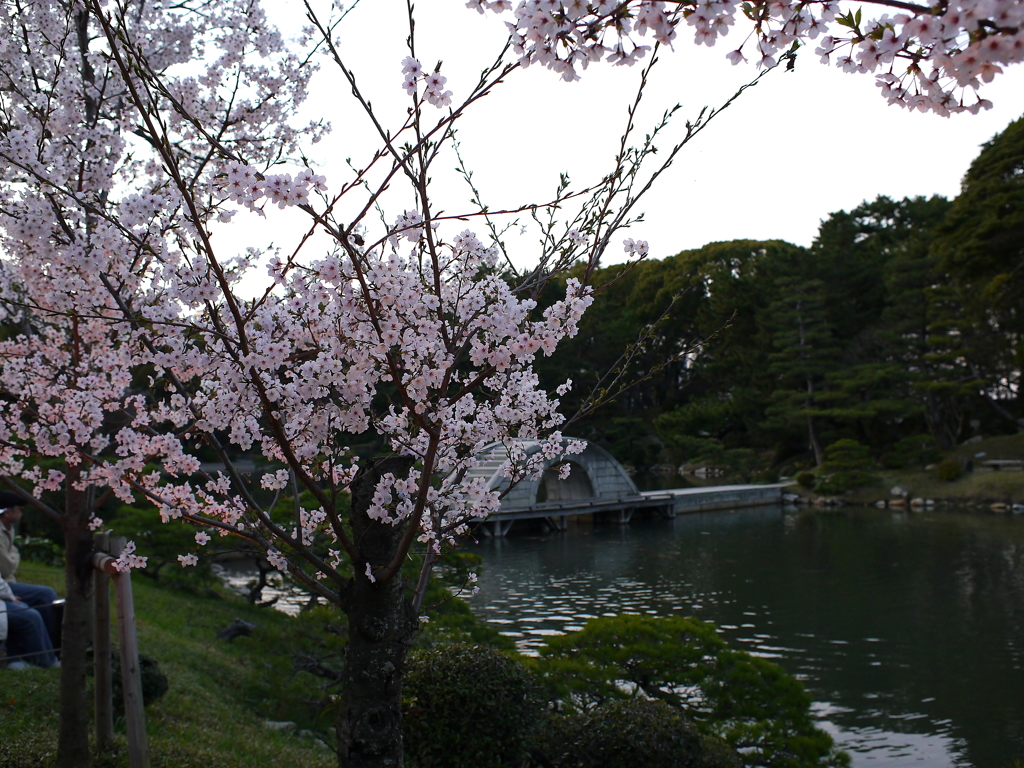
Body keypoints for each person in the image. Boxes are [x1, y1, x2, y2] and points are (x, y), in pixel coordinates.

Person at [0, 490, 60, 668]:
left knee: (46, 595)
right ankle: (43, 659)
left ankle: (52, 650)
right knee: (28, 613)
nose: (21, 512)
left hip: (5, 584)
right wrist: (9, 596)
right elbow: (7, 566)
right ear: (7, 512)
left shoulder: (8, 529)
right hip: (4, 585)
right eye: (19, 509)